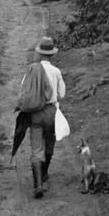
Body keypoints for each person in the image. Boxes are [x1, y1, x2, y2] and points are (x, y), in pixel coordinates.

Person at [24, 37, 66, 198]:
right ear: (52, 55)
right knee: (49, 145)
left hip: (35, 112)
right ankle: (45, 173)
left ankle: (38, 183)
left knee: (36, 149)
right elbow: (61, 94)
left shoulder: (32, 69)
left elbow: (24, 90)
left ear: (40, 53)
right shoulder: (56, 72)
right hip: (51, 112)